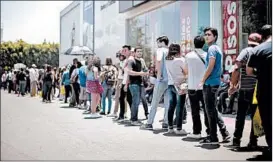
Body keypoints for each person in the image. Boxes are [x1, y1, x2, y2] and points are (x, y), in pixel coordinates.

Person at [226, 33, 262, 150]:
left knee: (240, 115)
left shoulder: (245, 51)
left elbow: (236, 68)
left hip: (245, 89)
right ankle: (253, 141)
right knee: (254, 117)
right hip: (257, 90)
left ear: (249, 41)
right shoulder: (261, 52)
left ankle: (236, 140)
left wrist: (233, 85)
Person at [198, 27, 230, 145]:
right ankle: (223, 133)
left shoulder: (212, 48)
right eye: (205, 34)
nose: (206, 36)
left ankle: (213, 137)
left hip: (211, 83)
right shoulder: (216, 48)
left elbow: (210, 66)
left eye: (209, 34)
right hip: (213, 83)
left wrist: (202, 80)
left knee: (210, 111)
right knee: (212, 110)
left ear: (215, 36)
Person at [246, 25, 272, 161]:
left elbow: (249, 71)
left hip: (265, 91)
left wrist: (260, 72)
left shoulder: (258, 50)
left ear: (261, 36)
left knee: (268, 120)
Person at [141, 36, 170, 130]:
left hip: (161, 79)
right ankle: (166, 122)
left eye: (158, 42)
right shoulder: (170, 51)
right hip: (169, 80)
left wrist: (158, 75)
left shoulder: (160, 50)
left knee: (154, 102)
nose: (157, 44)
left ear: (161, 42)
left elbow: (158, 61)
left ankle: (149, 123)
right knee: (167, 103)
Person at [184, 36, 210, 139]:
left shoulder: (188, 56)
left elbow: (186, 71)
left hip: (192, 86)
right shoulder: (207, 55)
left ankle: (197, 132)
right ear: (204, 44)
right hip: (204, 86)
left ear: (194, 44)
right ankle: (209, 132)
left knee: (195, 111)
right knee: (207, 109)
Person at [164, 44, 188, 135]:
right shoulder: (181, 60)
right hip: (181, 85)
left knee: (171, 106)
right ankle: (178, 128)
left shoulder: (167, 60)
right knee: (180, 107)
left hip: (170, 85)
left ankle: (170, 128)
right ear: (179, 50)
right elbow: (186, 73)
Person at [126, 47, 149, 125]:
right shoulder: (131, 60)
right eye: (138, 51)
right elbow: (129, 72)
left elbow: (145, 70)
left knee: (141, 100)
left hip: (141, 84)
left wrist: (146, 71)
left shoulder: (142, 61)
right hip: (134, 84)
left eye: (141, 51)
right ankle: (133, 120)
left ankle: (137, 117)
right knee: (135, 102)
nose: (139, 53)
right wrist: (140, 73)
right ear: (134, 53)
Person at [108, 54, 126, 118]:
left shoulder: (124, 62)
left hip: (122, 79)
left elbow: (124, 71)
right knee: (120, 97)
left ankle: (116, 112)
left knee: (118, 97)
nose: (119, 57)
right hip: (120, 79)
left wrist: (118, 67)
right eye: (119, 56)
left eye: (121, 56)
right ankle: (122, 112)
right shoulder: (121, 62)